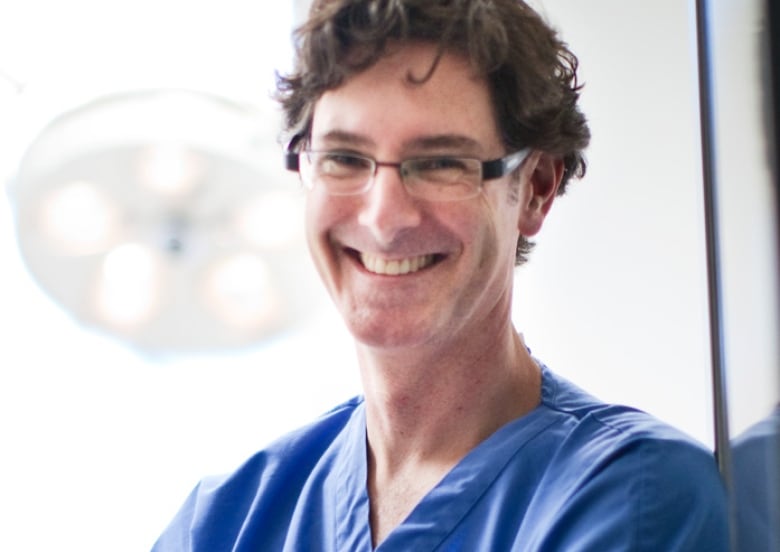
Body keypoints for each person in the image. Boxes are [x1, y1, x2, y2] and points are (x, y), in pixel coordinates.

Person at [153, 0, 729, 550]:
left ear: (535, 188)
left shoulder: (632, 497)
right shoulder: (227, 522)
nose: (383, 217)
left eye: (440, 164)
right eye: (345, 158)